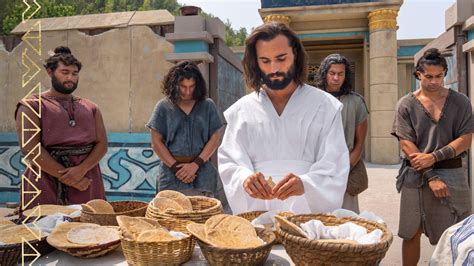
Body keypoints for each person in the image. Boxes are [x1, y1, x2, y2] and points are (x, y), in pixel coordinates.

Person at [218, 22, 349, 215]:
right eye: (265, 60)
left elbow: (335, 165)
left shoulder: (325, 107)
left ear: (295, 55)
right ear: (256, 62)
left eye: (281, 58)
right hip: (257, 218)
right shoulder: (241, 111)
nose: (274, 68)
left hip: (309, 219)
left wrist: (306, 184)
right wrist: (245, 179)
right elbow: (230, 162)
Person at [391, 48, 473, 266]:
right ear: (419, 74)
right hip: (416, 174)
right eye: (429, 76)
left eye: (439, 76)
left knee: (463, 232)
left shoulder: (461, 102)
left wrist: (434, 157)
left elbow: (465, 139)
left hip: (453, 173)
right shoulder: (406, 104)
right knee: (411, 232)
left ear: (444, 73)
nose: (434, 81)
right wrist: (431, 176)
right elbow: (406, 143)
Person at [15, 46, 107, 207]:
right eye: (65, 73)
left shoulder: (91, 107)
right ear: (50, 72)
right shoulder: (31, 106)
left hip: (87, 180)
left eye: (74, 73)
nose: (70, 78)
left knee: (89, 228)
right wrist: (70, 178)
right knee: (45, 228)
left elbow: (102, 144)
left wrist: (82, 170)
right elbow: (30, 148)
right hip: (45, 181)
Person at [146, 61, 224, 200]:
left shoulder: (207, 106)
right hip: (170, 176)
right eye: (182, 87)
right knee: (170, 218)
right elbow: (156, 142)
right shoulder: (163, 107)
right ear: (174, 84)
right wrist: (177, 168)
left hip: (203, 174)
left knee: (204, 216)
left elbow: (215, 138)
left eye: (191, 87)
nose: (187, 91)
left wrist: (195, 165)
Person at [315, 54, 369, 213]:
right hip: (315, 171)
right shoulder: (312, 99)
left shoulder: (356, 102)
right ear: (324, 74)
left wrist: (343, 171)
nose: (336, 78)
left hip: (346, 171)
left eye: (341, 74)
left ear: (346, 76)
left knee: (347, 220)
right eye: (332, 73)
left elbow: (359, 144)